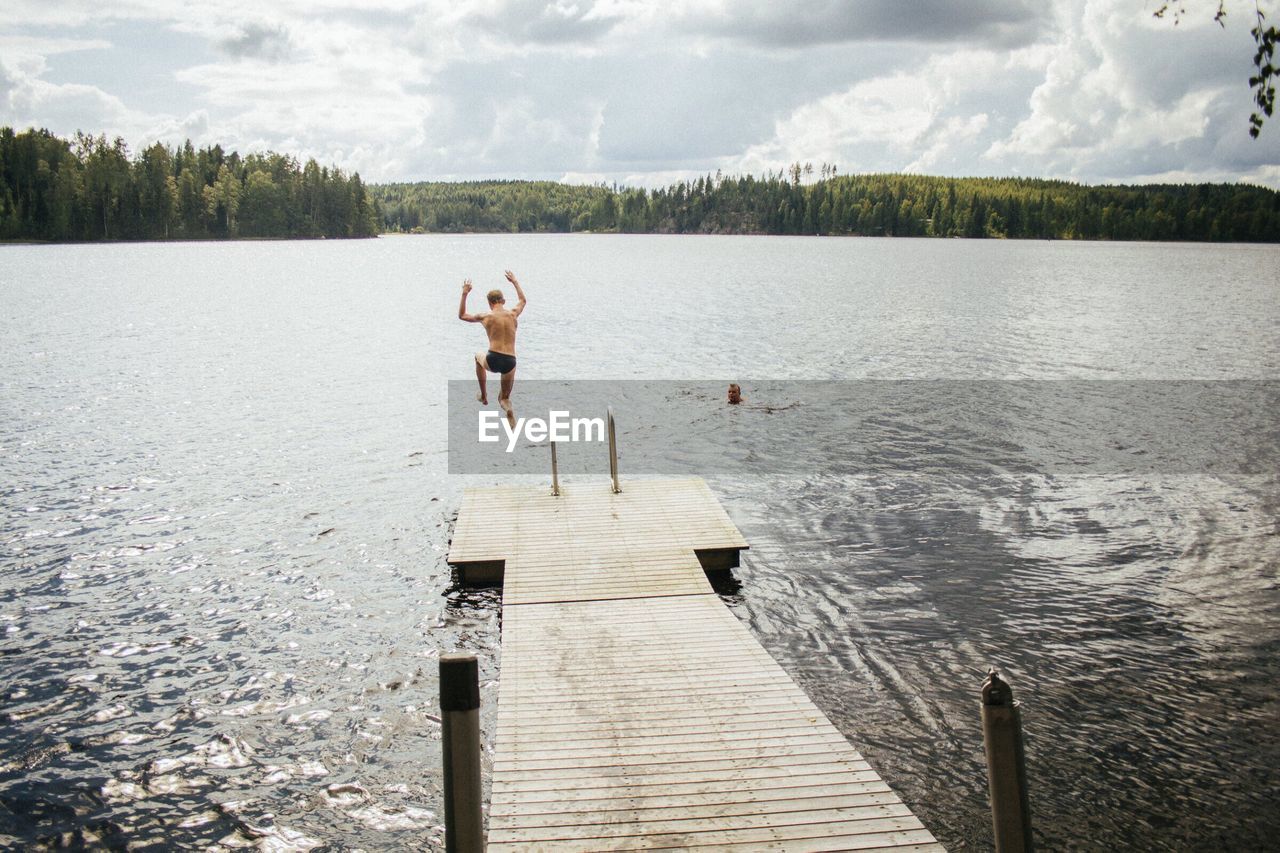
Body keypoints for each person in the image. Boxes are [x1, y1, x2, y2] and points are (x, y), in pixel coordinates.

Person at [459, 270, 525, 427]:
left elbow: (462, 315)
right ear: (503, 300)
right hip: (510, 361)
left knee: (477, 357)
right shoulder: (513, 314)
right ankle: (508, 408)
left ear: (490, 303)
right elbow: (523, 300)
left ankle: (483, 395)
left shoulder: (486, 316)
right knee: (504, 398)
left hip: (493, 358)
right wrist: (515, 281)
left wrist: (464, 294)